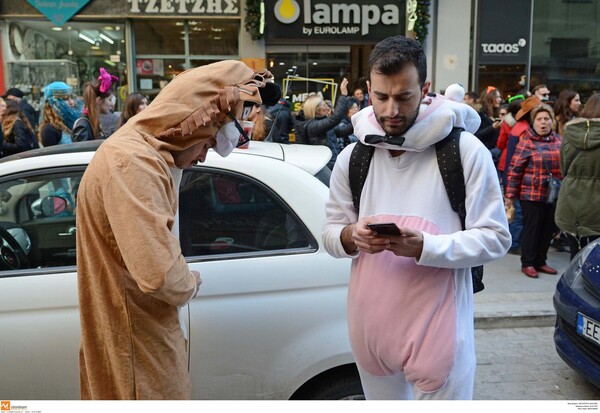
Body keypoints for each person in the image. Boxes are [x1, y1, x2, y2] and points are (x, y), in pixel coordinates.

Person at [322, 36, 510, 400]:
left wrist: (425, 246)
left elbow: (496, 237)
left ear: (424, 90)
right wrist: (351, 237)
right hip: (370, 335)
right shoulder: (353, 157)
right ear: (368, 90)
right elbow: (331, 232)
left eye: (404, 97)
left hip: (440, 340)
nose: (391, 109)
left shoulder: (464, 152)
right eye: (381, 97)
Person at [76, 60, 278, 399]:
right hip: (137, 352)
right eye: (206, 143)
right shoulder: (134, 162)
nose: (202, 156)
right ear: (189, 124)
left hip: (138, 339)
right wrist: (189, 282)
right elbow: (159, 275)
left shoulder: (145, 152)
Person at [505, 103, 562, 278]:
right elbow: (514, 170)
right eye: (539, 119)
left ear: (552, 121)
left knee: (547, 229)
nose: (543, 123)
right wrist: (509, 196)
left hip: (552, 193)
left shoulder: (560, 141)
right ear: (533, 122)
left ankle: (541, 260)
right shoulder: (526, 142)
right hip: (530, 194)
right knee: (532, 229)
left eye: (547, 119)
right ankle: (528, 262)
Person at [555, 93, 600, 259]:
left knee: (576, 261)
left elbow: (563, 168)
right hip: (595, 207)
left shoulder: (570, 131)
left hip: (569, 203)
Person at [293, 79, 350, 170]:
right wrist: (343, 95)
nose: (327, 108)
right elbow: (335, 118)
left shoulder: (320, 123)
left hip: (331, 166)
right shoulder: (313, 126)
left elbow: (343, 131)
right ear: (316, 109)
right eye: (324, 105)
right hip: (325, 168)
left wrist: (359, 122)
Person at [73, 67, 119, 141]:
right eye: (109, 100)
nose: (112, 104)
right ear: (99, 100)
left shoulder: (94, 121)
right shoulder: (83, 126)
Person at [38, 81, 82, 147]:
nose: (71, 102)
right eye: (65, 99)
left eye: (71, 98)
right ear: (54, 103)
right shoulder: (50, 130)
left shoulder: (73, 122)